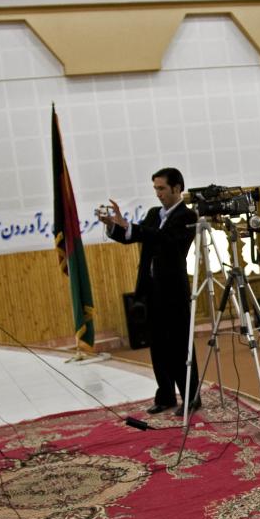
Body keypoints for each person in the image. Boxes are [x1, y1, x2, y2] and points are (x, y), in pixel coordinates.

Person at [101, 167, 200, 416]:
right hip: (151, 290)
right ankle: (166, 396)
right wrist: (113, 226)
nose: (158, 193)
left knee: (180, 346)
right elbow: (132, 236)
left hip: (174, 291)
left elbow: (165, 240)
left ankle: (191, 397)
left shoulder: (188, 216)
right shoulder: (154, 214)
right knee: (158, 347)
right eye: (155, 188)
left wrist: (131, 226)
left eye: (162, 188)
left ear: (177, 188)